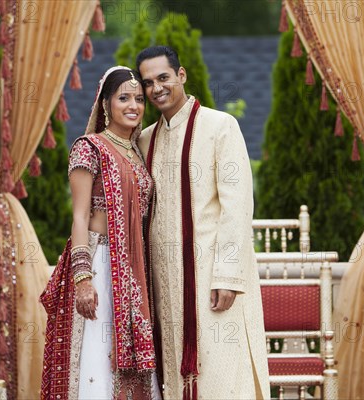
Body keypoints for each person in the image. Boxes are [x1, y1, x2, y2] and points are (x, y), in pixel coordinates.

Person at [136, 46, 270, 400]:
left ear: (181, 75)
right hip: (165, 284)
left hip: (211, 279)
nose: (156, 88)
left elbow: (237, 206)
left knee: (221, 375)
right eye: (148, 83)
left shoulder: (220, 126)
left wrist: (226, 276)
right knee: (173, 376)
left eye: (163, 77)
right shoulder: (146, 139)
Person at [40, 66, 158, 400]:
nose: (133, 105)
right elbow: (79, 217)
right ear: (105, 103)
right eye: (124, 98)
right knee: (97, 357)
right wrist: (83, 279)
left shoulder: (137, 152)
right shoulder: (89, 147)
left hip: (133, 271)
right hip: (101, 265)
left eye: (138, 99)